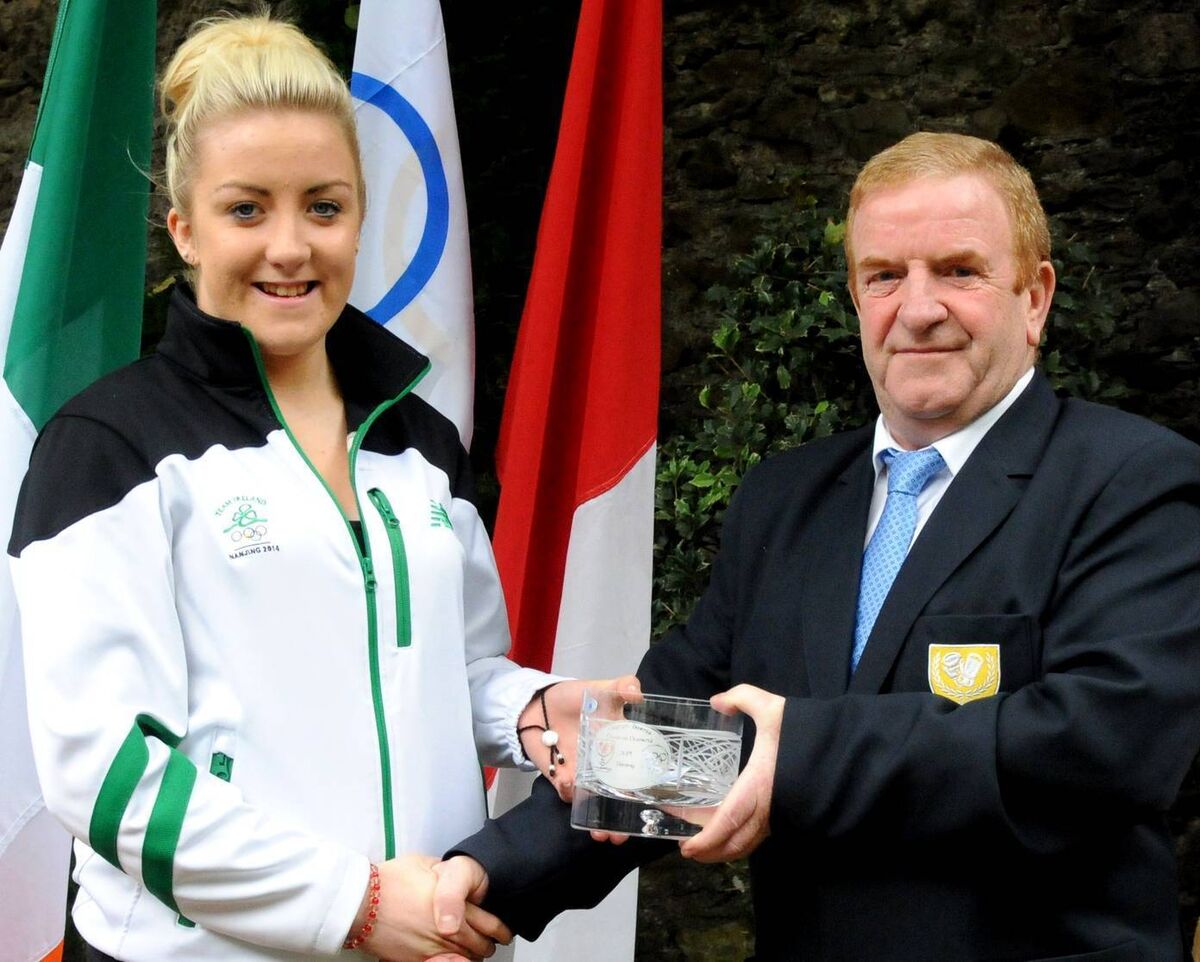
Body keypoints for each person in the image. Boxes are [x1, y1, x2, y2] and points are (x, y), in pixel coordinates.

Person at [432, 132, 1200, 961]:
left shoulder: (1137, 482)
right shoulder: (784, 501)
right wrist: (493, 874)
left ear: (1036, 296)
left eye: (959, 270)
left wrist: (798, 752)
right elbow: (680, 745)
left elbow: (1106, 744)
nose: (919, 308)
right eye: (884, 277)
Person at [8, 13, 626, 961]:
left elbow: (446, 674)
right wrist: (358, 903)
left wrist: (534, 712)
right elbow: (106, 773)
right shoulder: (108, 446)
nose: (291, 247)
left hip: (429, 942)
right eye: (247, 209)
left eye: (324, 207)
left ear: (359, 218)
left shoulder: (419, 442)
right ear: (184, 230)